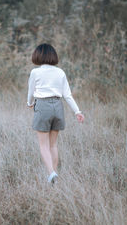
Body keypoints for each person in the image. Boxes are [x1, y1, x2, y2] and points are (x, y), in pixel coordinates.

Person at [27, 43, 84, 184]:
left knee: (43, 145)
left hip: (43, 106)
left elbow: (31, 92)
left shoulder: (35, 72)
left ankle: (51, 173)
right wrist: (77, 111)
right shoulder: (60, 72)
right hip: (58, 107)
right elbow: (68, 95)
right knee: (53, 145)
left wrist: (29, 103)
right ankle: (54, 176)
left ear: (38, 55)